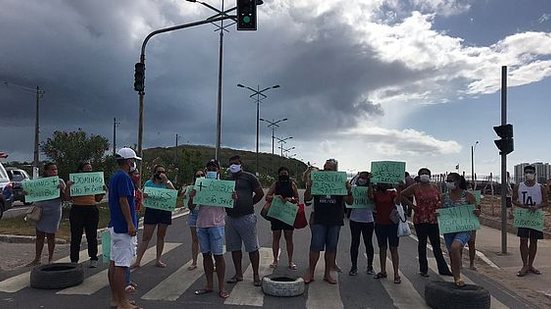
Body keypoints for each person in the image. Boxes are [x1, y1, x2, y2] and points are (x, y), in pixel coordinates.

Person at [303, 159, 353, 284]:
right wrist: (310, 186)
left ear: (335, 170)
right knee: (315, 246)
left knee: (331, 248)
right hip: (319, 218)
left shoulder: (341, 182)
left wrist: (349, 190)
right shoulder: (318, 181)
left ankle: (327, 274)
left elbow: (350, 202)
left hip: (335, 219)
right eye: (325, 168)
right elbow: (307, 199)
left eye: (329, 169)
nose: (326, 171)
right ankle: (311, 272)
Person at [190, 159, 232, 299]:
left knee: (218, 256)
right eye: (209, 168)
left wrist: (233, 198)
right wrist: (192, 198)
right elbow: (191, 207)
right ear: (206, 170)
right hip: (202, 224)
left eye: (214, 167)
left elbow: (230, 205)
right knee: (206, 255)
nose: (212, 170)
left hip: (217, 225)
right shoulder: (200, 184)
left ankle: (221, 287)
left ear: (219, 170)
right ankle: (209, 285)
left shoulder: (224, 186)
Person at [400, 168, 452, 277]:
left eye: (427, 174)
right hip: (420, 218)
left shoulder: (434, 187)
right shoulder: (415, 187)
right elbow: (402, 195)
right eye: (422, 174)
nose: (425, 175)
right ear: (419, 176)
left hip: (433, 219)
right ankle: (423, 269)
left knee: (436, 245)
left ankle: (443, 269)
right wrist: (412, 206)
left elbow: (440, 199)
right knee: (422, 244)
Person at [107, 147, 140, 309]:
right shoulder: (124, 178)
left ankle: (116, 298)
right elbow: (123, 201)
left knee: (114, 263)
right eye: (133, 161)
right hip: (122, 228)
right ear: (128, 162)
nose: (134, 164)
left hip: (115, 225)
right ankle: (122, 302)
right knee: (121, 265)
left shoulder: (115, 177)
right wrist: (130, 223)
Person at [225, 155, 265, 286]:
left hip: (246, 217)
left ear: (241, 164)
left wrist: (249, 203)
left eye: (235, 163)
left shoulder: (249, 177)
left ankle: (256, 275)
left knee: (252, 247)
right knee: (235, 248)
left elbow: (260, 193)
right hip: (230, 218)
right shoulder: (227, 179)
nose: (233, 165)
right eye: (231, 163)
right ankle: (238, 274)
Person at [131, 164, 176, 269]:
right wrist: (145, 195)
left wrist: (167, 181)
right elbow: (143, 194)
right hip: (152, 211)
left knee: (161, 236)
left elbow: (173, 193)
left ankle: (158, 259)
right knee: (146, 237)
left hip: (164, 211)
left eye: (163, 172)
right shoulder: (149, 183)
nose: (161, 174)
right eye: (159, 172)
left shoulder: (167, 183)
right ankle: (138, 260)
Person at [441, 173, 479, 287]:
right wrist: (437, 213)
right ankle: (456, 276)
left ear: (457, 182)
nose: (448, 182)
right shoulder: (444, 197)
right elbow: (440, 211)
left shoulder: (468, 196)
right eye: (447, 180)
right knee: (452, 253)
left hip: (464, 229)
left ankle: (458, 277)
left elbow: (476, 210)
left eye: (451, 180)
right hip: (449, 229)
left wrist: (477, 212)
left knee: (455, 247)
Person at [26, 163, 66, 266]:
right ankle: (37, 258)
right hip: (40, 211)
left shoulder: (60, 181)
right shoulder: (39, 181)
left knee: (51, 236)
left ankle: (50, 258)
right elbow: (31, 193)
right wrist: (27, 192)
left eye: (55, 170)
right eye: (51, 170)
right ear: (46, 171)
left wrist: (62, 189)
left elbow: (65, 198)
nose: (54, 172)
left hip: (53, 212)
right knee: (39, 235)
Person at [65, 162, 104, 268]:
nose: (89, 171)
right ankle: (74, 260)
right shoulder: (75, 182)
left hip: (91, 209)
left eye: (90, 169)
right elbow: (67, 198)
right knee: (76, 236)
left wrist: (102, 190)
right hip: (77, 209)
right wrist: (68, 186)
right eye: (87, 169)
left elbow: (98, 199)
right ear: (81, 171)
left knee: (92, 235)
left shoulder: (94, 181)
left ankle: (93, 257)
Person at [513, 165, 548, 277]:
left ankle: (531, 264)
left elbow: (546, 202)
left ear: (535, 174)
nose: (529, 174)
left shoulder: (540, 187)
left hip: (535, 216)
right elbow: (514, 200)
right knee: (523, 240)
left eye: (531, 172)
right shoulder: (518, 186)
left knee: (534, 241)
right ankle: (524, 265)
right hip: (523, 216)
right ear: (524, 174)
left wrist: (537, 206)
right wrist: (522, 205)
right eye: (527, 172)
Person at [265, 166, 300, 270]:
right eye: (282, 173)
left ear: (288, 174)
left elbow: (297, 199)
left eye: (285, 173)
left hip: (288, 214)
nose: (283, 175)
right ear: (279, 174)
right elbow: (267, 196)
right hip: (276, 214)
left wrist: (290, 199)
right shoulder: (275, 184)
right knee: (276, 237)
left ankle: (290, 261)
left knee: (289, 238)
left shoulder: (292, 184)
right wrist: (276, 197)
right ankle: (275, 260)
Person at [371, 182, 401, 284]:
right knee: (382, 247)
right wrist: (371, 183)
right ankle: (383, 270)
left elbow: (397, 201)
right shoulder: (376, 193)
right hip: (380, 223)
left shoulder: (392, 193)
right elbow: (370, 197)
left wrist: (399, 189)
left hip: (392, 223)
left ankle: (396, 273)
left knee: (393, 248)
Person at [347, 171, 375, 276]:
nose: (362, 179)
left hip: (368, 220)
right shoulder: (354, 187)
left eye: (364, 178)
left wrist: (371, 184)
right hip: (355, 219)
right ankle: (354, 267)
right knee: (355, 243)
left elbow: (372, 197)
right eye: (361, 177)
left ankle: (370, 266)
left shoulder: (372, 189)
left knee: (368, 243)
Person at [185, 170, 204, 271]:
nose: (200, 177)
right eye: (197, 175)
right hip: (194, 215)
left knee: (208, 240)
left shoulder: (209, 188)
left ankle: (212, 262)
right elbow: (190, 207)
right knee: (195, 240)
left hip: (205, 215)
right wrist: (192, 197)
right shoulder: (191, 189)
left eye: (202, 175)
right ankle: (194, 261)